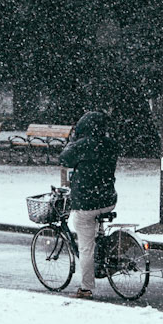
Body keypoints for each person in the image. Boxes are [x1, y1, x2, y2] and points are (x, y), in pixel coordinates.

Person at [59, 109, 118, 299]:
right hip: (108, 199)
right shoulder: (110, 144)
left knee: (85, 247)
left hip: (86, 203)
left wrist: (73, 141)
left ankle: (86, 288)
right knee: (97, 230)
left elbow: (64, 159)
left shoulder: (81, 145)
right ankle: (102, 258)